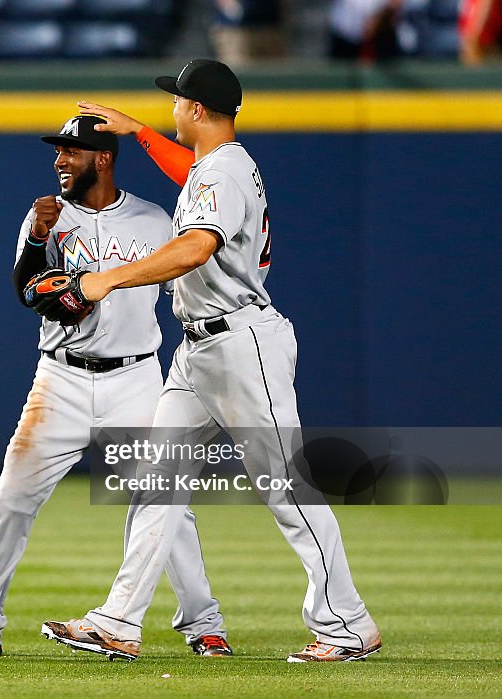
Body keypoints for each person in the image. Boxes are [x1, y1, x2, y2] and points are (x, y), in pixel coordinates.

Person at [38, 60, 382, 663]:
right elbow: (191, 176)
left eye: (176, 101)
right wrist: (141, 131)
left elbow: (198, 245)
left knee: (286, 487)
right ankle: (118, 621)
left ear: (196, 110)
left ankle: (347, 623)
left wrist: (107, 279)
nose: (171, 109)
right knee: (157, 479)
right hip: (200, 351)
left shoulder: (221, 173)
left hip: (240, 344)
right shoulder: (217, 166)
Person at [0, 115, 232, 661]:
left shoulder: (153, 219)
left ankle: (204, 624)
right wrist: (41, 244)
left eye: (71, 151)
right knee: (11, 502)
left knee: (166, 503)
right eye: (58, 151)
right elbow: (26, 290)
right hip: (61, 379)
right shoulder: (46, 214)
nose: (59, 160)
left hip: (138, 377)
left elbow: (189, 275)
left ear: (103, 158)